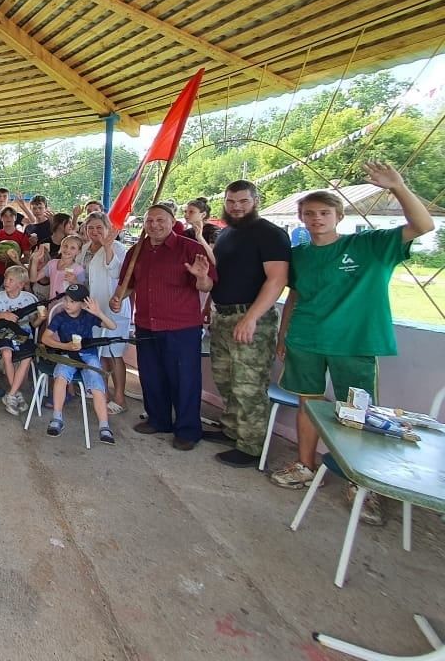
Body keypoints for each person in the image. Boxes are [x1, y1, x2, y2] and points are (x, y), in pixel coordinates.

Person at [270, 162, 433, 526]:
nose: (316, 219)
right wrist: (283, 335)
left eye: (324, 213)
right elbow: (294, 296)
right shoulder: (300, 256)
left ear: (339, 216)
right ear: (301, 218)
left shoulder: (370, 246)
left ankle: (362, 483)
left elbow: (424, 226)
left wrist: (399, 187)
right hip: (307, 339)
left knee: (357, 413)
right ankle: (305, 464)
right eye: (309, 214)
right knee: (308, 405)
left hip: (355, 341)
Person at [111, 204, 216, 451]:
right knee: (151, 375)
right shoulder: (137, 251)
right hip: (147, 324)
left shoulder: (190, 248)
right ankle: (158, 419)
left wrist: (201, 276)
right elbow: (129, 284)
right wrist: (118, 298)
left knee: (185, 379)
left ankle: (188, 430)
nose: (155, 225)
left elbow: (207, 286)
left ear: (172, 222)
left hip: (181, 326)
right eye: (150, 221)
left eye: (161, 220)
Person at [203, 181, 290, 468]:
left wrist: (251, 317)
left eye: (242, 201)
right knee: (226, 379)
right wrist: (208, 306)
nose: (236, 207)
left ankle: (252, 446)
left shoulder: (270, 234)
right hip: (223, 315)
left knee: (249, 385)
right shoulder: (227, 233)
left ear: (255, 200)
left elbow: (277, 279)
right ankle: (231, 429)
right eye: (230, 201)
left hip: (252, 318)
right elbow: (219, 275)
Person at [40, 285, 118, 443]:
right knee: (61, 377)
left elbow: (112, 326)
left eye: (73, 302)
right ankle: (57, 418)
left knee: (97, 382)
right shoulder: (60, 317)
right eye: (66, 300)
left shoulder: (89, 316)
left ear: (83, 304)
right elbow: (45, 338)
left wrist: (99, 313)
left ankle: (104, 426)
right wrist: (65, 346)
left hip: (89, 355)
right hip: (67, 354)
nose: (68, 304)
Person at [79, 213, 130, 414]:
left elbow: (117, 273)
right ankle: (104, 393)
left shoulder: (119, 248)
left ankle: (120, 397)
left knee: (114, 353)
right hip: (91, 307)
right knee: (99, 352)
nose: (95, 232)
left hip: (113, 308)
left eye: (99, 227)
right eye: (90, 228)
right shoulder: (84, 249)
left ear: (108, 228)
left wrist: (108, 247)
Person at [0, 265, 46, 415]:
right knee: (6, 354)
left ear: (20, 284)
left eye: (11, 280)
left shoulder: (29, 299)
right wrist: (3, 315)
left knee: (27, 357)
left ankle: (11, 394)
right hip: (4, 333)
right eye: (6, 278)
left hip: (24, 334)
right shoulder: (0, 297)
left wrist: (42, 318)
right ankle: (15, 394)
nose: (6, 282)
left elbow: (34, 324)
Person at [29, 233, 85, 301]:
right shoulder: (52, 264)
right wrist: (34, 260)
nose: (67, 250)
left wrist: (74, 281)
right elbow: (33, 279)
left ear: (78, 251)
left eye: (72, 248)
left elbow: (83, 291)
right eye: (65, 246)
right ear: (61, 247)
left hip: (68, 308)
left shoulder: (78, 269)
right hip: (52, 305)